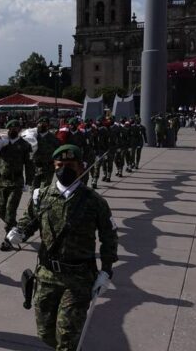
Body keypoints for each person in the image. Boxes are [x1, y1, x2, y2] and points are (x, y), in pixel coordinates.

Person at [7, 144, 118, 350]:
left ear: (80, 167)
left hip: (79, 278)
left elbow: (109, 238)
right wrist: (18, 232)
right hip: (47, 275)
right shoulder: (41, 196)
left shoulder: (94, 201)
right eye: (60, 165)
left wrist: (106, 271)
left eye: (70, 165)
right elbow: (30, 220)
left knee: (67, 336)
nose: (64, 169)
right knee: (45, 333)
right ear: (53, 166)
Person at [0, 119, 34, 251]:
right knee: (1, 211)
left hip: (16, 183)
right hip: (1, 182)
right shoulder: (2, 143)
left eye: (16, 128)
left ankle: (8, 240)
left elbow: (29, 165)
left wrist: (29, 182)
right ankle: (16, 229)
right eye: (10, 128)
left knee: (10, 212)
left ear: (19, 130)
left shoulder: (25, 145)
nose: (13, 130)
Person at [32, 116, 61, 189]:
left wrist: (58, 167)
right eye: (41, 124)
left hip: (48, 168)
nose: (42, 126)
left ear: (48, 126)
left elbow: (58, 154)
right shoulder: (33, 136)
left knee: (44, 190)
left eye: (45, 124)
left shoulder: (53, 138)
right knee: (33, 190)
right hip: (35, 167)